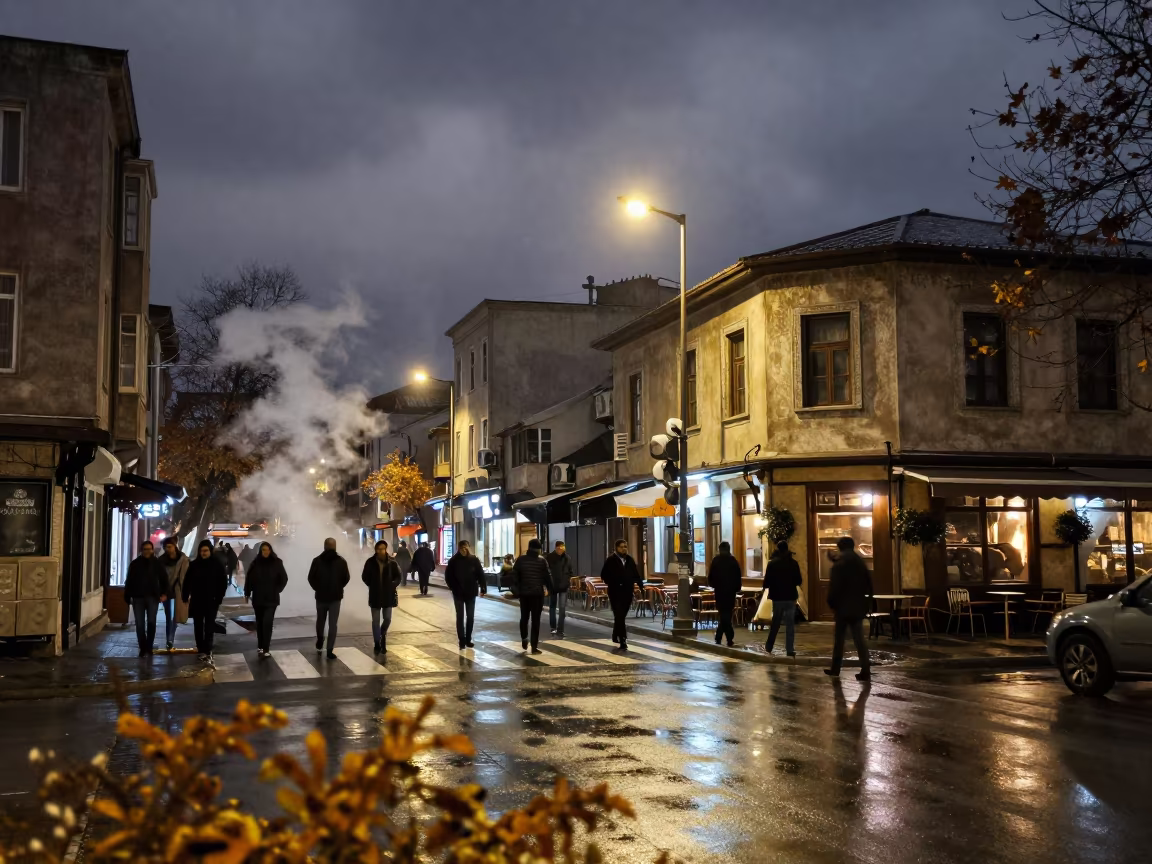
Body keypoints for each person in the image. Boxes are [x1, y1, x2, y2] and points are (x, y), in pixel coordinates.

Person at [825, 536, 874, 681]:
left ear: (840, 547)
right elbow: (869, 583)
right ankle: (865, 670)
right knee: (859, 639)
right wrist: (867, 603)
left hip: (842, 607)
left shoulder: (840, 563)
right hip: (858, 606)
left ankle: (835, 669)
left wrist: (832, 604)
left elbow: (835, 587)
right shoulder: (860, 562)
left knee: (839, 640)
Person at [183, 539, 229, 660]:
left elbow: (223, 582)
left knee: (209, 626)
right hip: (197, 600)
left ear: (210, 551)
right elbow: (187, 581)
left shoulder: (217, 564)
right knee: (198, 626)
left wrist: (219, 597)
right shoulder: (194, 565)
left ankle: (207, 649)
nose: (203, 553)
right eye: (201, 551)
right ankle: (200, 648)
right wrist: (185, 595)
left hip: (211, 600)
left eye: (206, 551)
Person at [308, 537, 350, 659]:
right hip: (335, 598)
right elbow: (346, 578)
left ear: (324, 546)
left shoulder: (317, 561)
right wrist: (338, 587)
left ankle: (320, 640)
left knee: (320, 621)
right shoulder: (341, 561)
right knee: (333, 624)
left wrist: (317, 588)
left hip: (321, 597)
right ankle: (330, 650)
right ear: (335, 547)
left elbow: (311, 577)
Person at [123, 540, 168, 656]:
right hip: (138, 597)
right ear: (141, 551)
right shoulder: (135, 564)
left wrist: (164, 593)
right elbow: (129, 581)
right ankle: (143, 648)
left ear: (152, 550)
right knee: (140, 624)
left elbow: (164, 579)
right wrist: (128, 596)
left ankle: (149, 647)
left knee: (152, 622)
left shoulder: (157, 564)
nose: (148, 551)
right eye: (145, 549)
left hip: (153, 597)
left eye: (149, 549)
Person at [244, 540, 288, 657]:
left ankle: (266, 648)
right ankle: (260, 646)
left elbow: (284, 578)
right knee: (260, 622)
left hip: (271, 598)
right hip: (258, 598)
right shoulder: (255, 563)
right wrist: (247, 593)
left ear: (270, 550)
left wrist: (277, 589)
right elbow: (249, 579)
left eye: (267, 550)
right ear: (260, 551)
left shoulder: (277, 563)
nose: (266, 552)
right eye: (263, 550)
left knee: (267, 622)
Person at [600, 539, 644, 651]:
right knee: (619, 615)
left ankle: (615, 635)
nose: (624, 549)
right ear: (616, 548)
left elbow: (636, 574)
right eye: (622, 547)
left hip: (627, 592)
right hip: (615, 592)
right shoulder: (611, 560)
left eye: (625, 546)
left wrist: (640, 585)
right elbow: (603, 575)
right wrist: (613, 582)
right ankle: (623, 639)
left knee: (621, 616)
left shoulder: (629, 560)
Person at [362, 540, 403, 655]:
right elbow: (364, 576)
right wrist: (372, 584)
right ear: (376, 550)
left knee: (387, 619)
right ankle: (377, 643)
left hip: (387, 596)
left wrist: (393, 585)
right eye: (378, 549)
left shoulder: (392, 562)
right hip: (375, 595)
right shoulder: (370, 562)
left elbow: (398, 576)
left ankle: (382, 634)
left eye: (383, 549)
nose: (380, 551)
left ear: (386, 550)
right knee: (375, 621)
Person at [763, 540, 803, 657]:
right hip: (790, 597)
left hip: (777, 597)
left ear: (778, 549)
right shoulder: (793, 563)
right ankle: (789, 649)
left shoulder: (772, 564)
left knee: (775, 623)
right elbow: (798, 581)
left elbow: (766, 583)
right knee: (790, 624)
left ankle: (769, 646)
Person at [512, 539, 552, 653]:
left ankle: (524, 638)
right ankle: (534, 646)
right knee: (536, 620)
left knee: (524, 618)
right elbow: (548, 577)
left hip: (524, 594)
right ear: (539, 549)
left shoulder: (520, 560)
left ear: (529, 548)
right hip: (537, 594)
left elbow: (514, 577)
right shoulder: (542, 561)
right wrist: (551, 589)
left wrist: (517, 591)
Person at [444, 540, 487, 649]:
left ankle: (468, 639)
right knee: (460, 616)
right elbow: (448, 576)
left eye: (466, 547)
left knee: (470, 616)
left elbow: (480, 574)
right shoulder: (453, 561)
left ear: (468, 547)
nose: (464, 550)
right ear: (459, 548)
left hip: (471, 592)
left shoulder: (474, 560)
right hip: (458, 593)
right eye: (462, 548)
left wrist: (483, 587)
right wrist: (453, 588)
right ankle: (461, 640)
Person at [707, 540, 742, 647]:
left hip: (719, 592)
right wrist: (736, 588)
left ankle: (721, 637)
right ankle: (729, 637)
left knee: (723, 614)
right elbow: (738, 577)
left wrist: (715, 585)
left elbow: (710, 578)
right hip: (730, 593)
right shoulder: (733, 561)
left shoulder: (716, 561)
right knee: (727, 614)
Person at [159, 537, 189, 650]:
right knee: (168, 617)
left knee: (175, 617)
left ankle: (170, 638)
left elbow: (186, 576)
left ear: (174, 546)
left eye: (170, 546)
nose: (168, 549)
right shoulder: (161, 561)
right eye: (166, 547)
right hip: (166, 591)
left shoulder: (183, 559)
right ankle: (169, 639)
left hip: (178, 590)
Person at [545, 541, 574, 638]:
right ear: (556, 548)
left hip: (563, 586)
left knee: (562, 608)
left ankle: (560, 629)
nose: (561, 549)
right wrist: (547, 584)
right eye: (559, 548)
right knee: (552, 606)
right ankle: (553, 627)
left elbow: (570, 571)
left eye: (563, 547)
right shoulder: (549, 557)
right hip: (553, 586)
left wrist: (568, 580)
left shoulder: (567, 558)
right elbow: (546, 571)